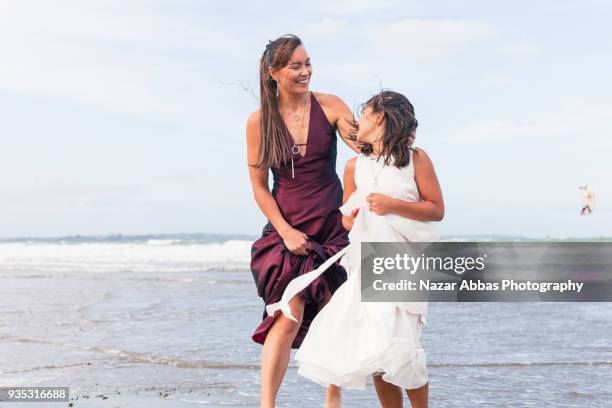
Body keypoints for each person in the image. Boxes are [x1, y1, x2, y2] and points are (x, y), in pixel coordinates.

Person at [267, 90, 444, 408]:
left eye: (363, 114)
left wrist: (391, 205)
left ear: (380, 118)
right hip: (368, 265)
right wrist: (352, 218)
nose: (356, 121)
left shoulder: (415, 159)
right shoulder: (353, 167)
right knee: (377, 349)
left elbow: (435, 209)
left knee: (403, 349)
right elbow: (348, 221)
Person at [246, 34, 362, 408]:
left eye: (307, 63)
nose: (305, 71)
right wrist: (285, 231)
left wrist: (384, 133)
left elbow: (362, 144)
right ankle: (267, 404)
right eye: (295, 66)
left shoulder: (330, 105)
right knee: (287, 314)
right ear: (273, 72)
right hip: (287, 231)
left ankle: (333, 398)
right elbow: (260, 188)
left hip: (332, 226)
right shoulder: (259, 122)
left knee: (333, 313)